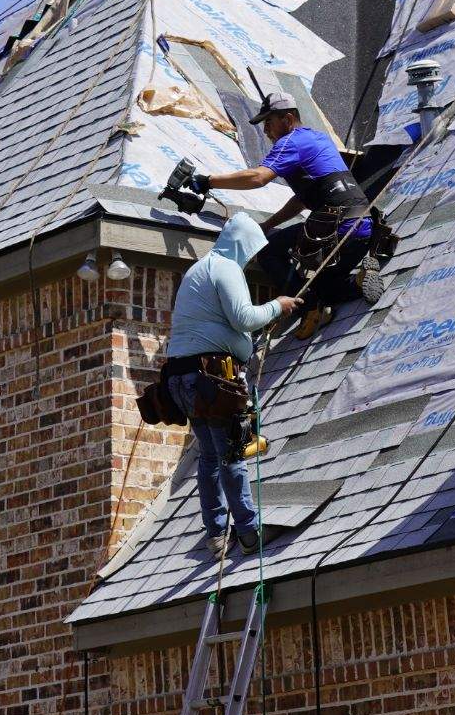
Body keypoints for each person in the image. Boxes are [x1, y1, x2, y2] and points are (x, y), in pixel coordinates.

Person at [162, 211, 298, 561]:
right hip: (210, 381)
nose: (250, 258)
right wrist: (277, 305)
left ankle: (216, 535)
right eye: (251, 251)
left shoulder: (199, 269)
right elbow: (243, 318)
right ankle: (250, 533)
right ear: (242, 244)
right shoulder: (226, 269)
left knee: (208, 457)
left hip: (182, 379)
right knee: (232, 453)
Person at [198, 95, 387, 331]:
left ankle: (308, 309)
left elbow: (259, 177)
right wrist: (268, 224)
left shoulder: (290, 142)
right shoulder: (319, 138)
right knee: (324, 286)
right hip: (363, 227)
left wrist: (208, 181)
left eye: (269, 122)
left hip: (337, 225)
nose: (266, 130)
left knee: (267, 251)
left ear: (288, 119)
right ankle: (358, 283)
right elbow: (302, 199)